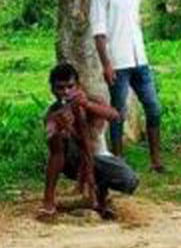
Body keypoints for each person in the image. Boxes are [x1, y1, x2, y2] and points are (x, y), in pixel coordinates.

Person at [90, 0, 165, 172]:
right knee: (118, 112)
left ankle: (156, 161)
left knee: (153, 108)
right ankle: (118, 160)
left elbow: (134, 25)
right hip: (117, 63)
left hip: (140, 60)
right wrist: (106, 65)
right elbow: (99, 32)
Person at [41, 63, 139, 220]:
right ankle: (48, 200)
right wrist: (61, 129)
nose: (66, 92)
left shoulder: (92, 100)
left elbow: (115, 116)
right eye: (60, 88)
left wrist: (87, 105)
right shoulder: (53, 113)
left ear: (78, 86)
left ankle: (99, 196)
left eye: (70, 86)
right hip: (72, 162)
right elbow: (54, 148)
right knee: (59, 140)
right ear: (52, 89)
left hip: (99, 158)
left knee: (129, 180)